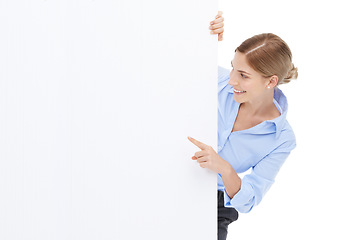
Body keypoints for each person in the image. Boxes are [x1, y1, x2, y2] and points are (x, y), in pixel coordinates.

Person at [187, 11, 298, 240]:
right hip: (172, 175)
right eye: (232, 68)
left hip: (216, 205)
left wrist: (225, 168)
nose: (231, 80)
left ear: (271, 81)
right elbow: (171, 58)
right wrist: (201, 35)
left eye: (243, 75)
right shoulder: (217, 82)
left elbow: (249, 199)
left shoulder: (282, 139)